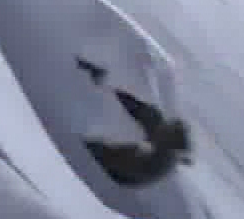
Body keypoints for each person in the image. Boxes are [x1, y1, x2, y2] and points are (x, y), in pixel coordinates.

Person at [76, 58, 193, 188]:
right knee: (149, 117)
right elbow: (139, 111)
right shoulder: (161, 134)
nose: (165, 126)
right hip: (125, 161)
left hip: (118, 171)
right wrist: (108, 86)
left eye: (167, 130)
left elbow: (116, 159)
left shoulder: (155, 162)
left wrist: (91, 145)